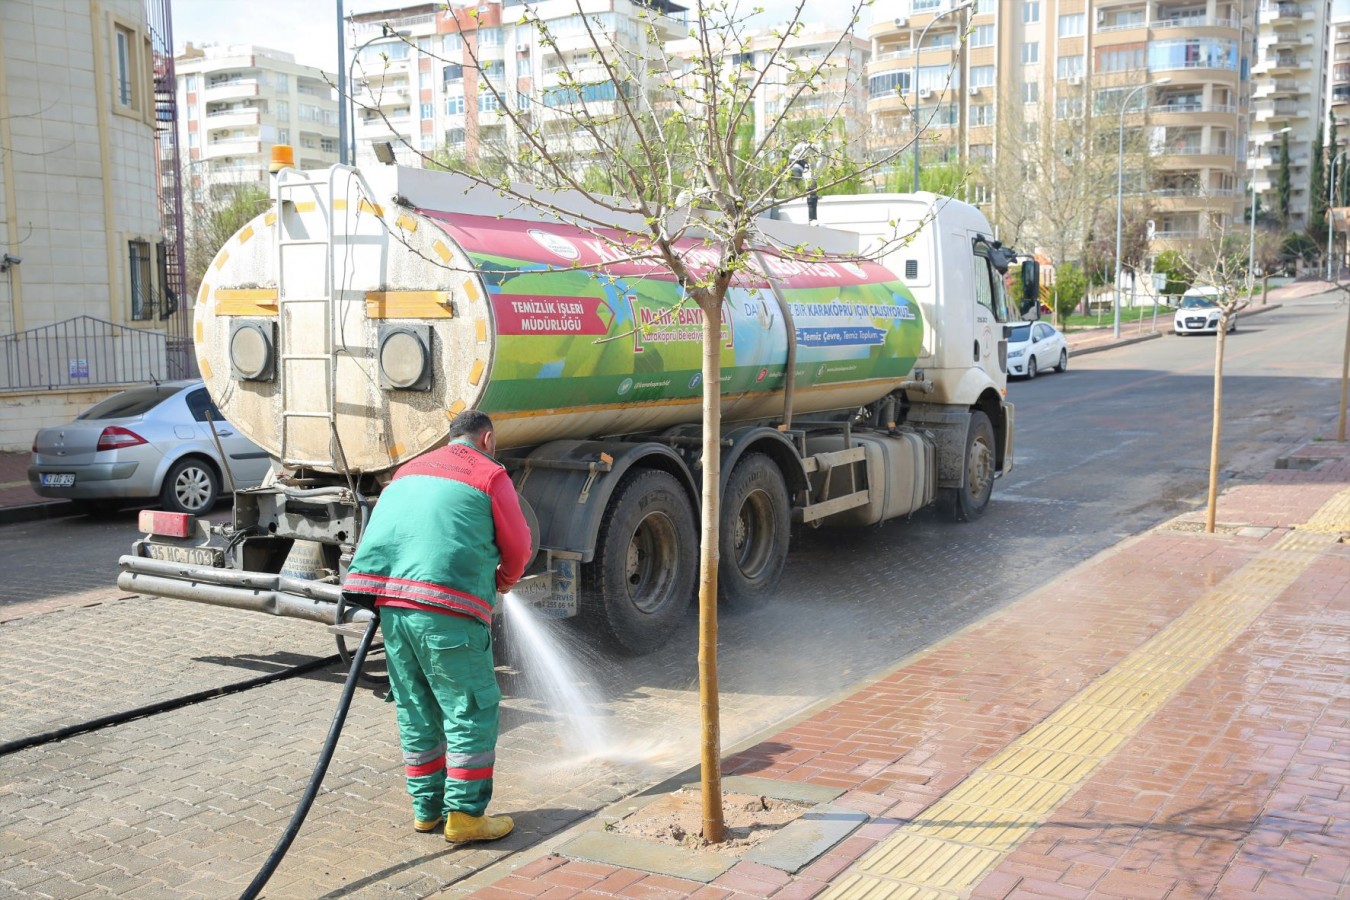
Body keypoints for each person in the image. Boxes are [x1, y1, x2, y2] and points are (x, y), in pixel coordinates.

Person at [342, 410, 532, 844]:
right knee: (469, 708)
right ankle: (465, 816)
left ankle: (426, 810)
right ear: (486, 439)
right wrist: (503, 580)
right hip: (448, 609)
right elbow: (519, 545)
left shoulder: (407, 471)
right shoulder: (489, 474)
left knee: (415, 707)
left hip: (393, 607)